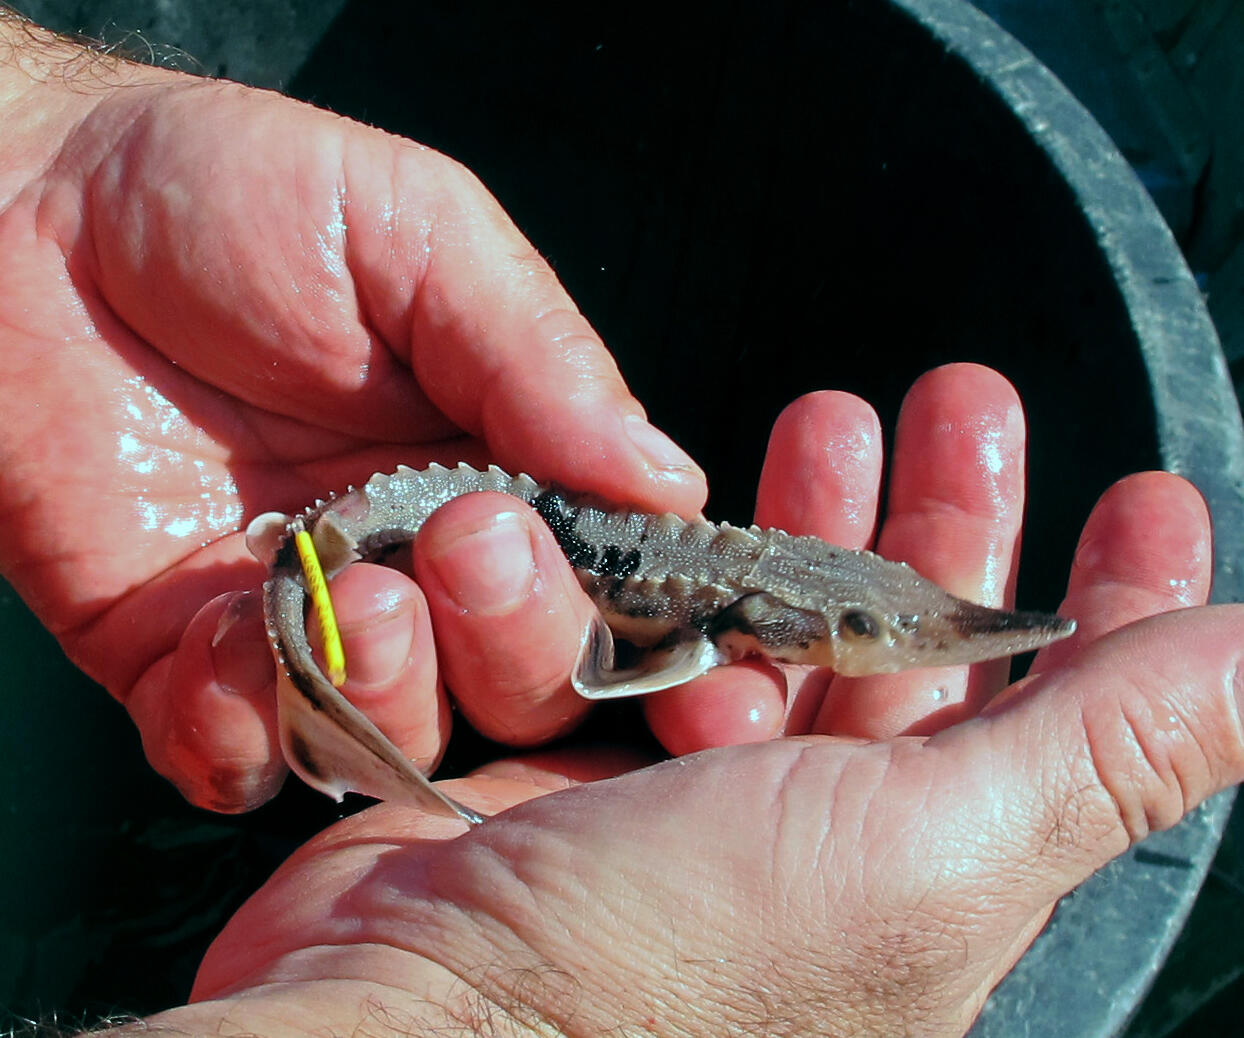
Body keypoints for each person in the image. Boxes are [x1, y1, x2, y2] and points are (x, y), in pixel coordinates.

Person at [1, 12, 1240, 1036]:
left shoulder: (735, 628)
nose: (881, 638)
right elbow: (613, 662)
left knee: (437, 615)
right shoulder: (709, 632)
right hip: (456, 517)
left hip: (503, 525)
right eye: (860, 621)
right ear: (790, 620)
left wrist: (40, 150)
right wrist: (501, 1008)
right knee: (427, 603)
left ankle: (334, 680)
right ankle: (326, 654)